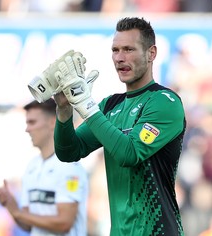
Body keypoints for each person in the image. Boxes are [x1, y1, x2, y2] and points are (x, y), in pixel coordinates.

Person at [52, 17, 186, 235]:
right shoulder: (111, 105)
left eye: (128, 49)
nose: (120, 58)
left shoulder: (164, 101)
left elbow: (129, 154)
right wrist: (65, 110)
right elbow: (69, 152)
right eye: (115, 50)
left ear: (151, 53)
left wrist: (87, 106)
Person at [0, 99, 89, 236]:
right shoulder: (31, 166)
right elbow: (28, 225)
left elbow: (64, 223)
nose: (27, 129)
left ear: (52, 122)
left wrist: (18, 213)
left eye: (32, 122)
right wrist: (10, 205)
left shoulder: (69, 165)